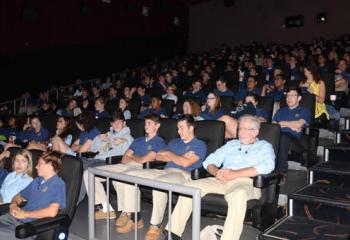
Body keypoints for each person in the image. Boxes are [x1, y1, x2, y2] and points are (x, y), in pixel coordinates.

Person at [165, 115, 275, 240]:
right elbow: (209, 162)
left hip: (245, 182)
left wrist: (234, 173)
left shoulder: (264, 146)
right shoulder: (231, 144)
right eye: (240, 129)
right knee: (189, 187)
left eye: (246, 129)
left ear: (256, 131)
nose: (241, 133)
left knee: (238, 195)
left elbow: (267, 166)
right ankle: (172, 234)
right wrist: (216, 172)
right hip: (221, 179)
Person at [115, 115, 207, 237]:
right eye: (178, 128)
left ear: (191, 128)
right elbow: (158, 156)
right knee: (129, 176)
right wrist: (177, 156)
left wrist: (169, 154)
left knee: (160, 184)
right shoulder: (174, 142)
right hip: (165, 170)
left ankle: (155, 225)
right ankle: (135, 218)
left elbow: (185, 163)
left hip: (182, 174)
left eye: (181, 128)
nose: (178, 131)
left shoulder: (200, 144)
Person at [83, 114, 166, 220]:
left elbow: (144, 160)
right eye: (145, 123)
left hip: (140, 168)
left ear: (157, 126)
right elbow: (124, 158)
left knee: (122, 178)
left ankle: (126, 213)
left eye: (149, 123)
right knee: (90, 173)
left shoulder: (159, 141)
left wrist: (133, 156)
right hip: (124, 165)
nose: (146, 126)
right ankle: (106, 209)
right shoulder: (138, 140)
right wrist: (135, 157)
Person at [0, 151, 66, 240]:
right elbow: (19, 196)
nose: (36, 167)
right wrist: (13, 204)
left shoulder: (57, 184)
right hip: (12, 219)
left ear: (49, 165)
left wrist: (24, 214)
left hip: (27, 227)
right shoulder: (37, 181)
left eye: (39, 164)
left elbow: (52, 212)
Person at [273, 87, 311, 179]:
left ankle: (281, 173)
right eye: (287, 96)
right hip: (278, 135)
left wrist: (282, 123)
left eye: (292, 96)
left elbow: (298, 124)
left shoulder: (304, 111)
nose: (289, 98)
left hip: (293, 139)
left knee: (283, 138)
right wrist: (291, 125)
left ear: (299, 98)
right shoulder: (280, 111)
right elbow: (273, 126)